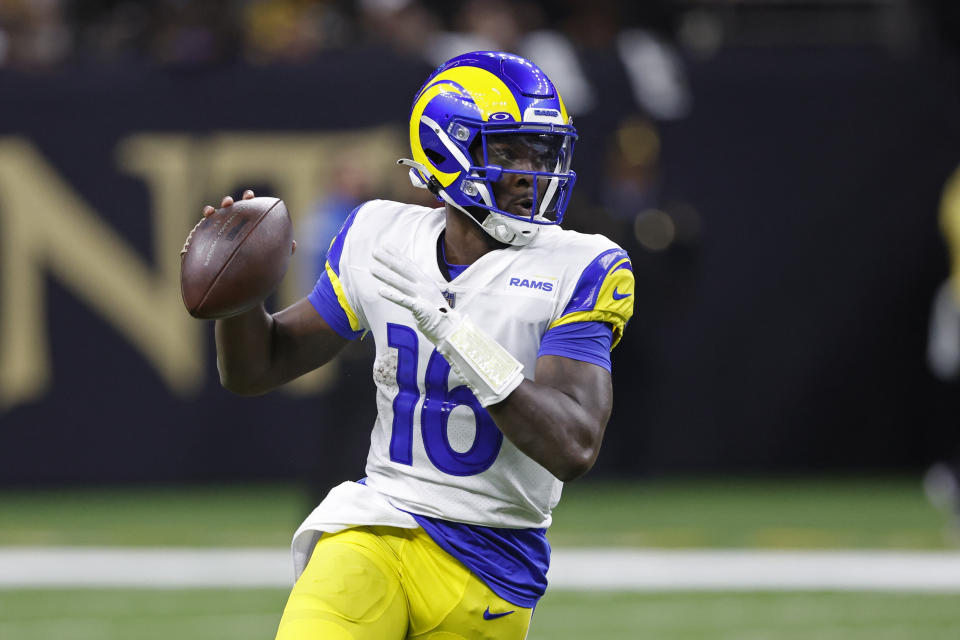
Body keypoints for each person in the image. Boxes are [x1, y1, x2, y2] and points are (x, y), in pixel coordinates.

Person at [199, 51, 634, 639]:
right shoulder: (382, 235)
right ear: (445, 150)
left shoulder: (581, 266)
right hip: (377, 528)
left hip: (492, 566)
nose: (531, 172)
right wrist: (240, 298)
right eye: (507, 151)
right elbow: (259, 368)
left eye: (540, 150)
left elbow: (574, 445)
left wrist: (461, 339)